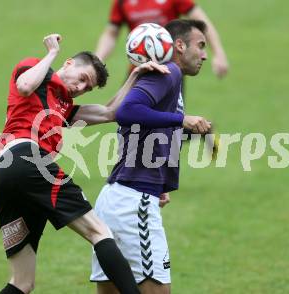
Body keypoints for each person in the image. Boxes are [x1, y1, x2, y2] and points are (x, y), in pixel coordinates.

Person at [0, 33, 169, 294]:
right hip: (28, 163)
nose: (81, 88)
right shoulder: (33, 67)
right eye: (82, 79)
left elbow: (111, 113)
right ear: (69, 63)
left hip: (4, 177)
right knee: (99, 232)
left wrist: (135, 76)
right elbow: (25, 85)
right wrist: (51, 54)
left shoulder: (63, 107)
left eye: (88, 88)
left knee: (22, 282)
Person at [90, 19, 212, 293]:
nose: (205, 54)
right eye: (200, 46)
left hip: (119, 197)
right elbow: (127, 112)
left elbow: (140, 130)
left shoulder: (164, 76)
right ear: (179, 45)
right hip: (134, 203)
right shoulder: (169, 73)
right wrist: (181, 119)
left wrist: (162, 184)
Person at [95, 0, 228, 79]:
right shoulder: (122, 2)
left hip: (171, 70)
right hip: (139, 69)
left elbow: (201, 20)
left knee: (166, 121)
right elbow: (111, 33)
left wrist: (218, 53)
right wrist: (97, 60)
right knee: (127, 116)